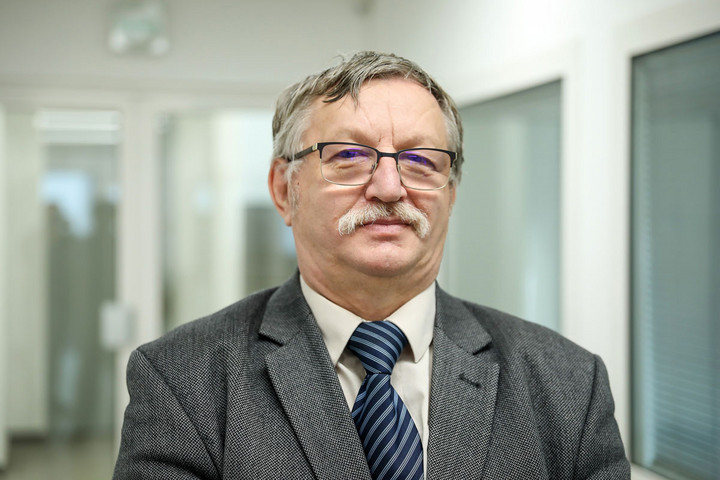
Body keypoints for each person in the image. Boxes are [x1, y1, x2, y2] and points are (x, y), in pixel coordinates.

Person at [113, 51, 630, 479]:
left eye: (421, 160)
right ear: (284, 190)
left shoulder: (568, 385)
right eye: (349, 156)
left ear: (451, 195)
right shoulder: (183, 382)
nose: (389, 187)